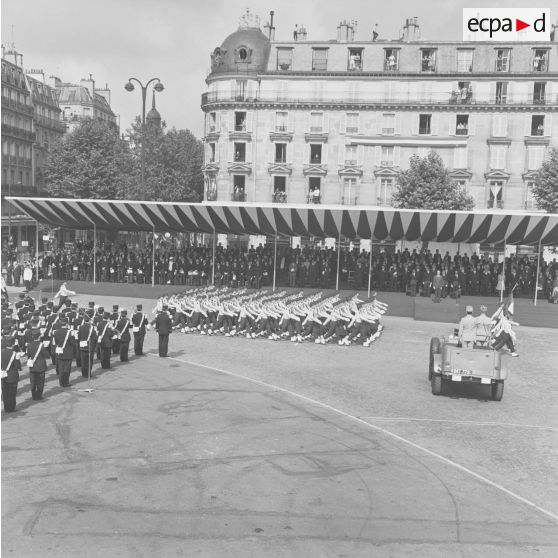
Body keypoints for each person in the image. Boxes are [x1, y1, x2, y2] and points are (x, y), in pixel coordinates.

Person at [26, 328, 50, 400]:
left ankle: (33, 396)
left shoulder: (29, 345)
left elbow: (28, 355)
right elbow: (47, 356)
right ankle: (39, 396)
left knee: (33, 382)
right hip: (41, 366)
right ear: (39, 336)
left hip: (32, 366)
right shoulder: (41, 345)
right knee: (40, 382)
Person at [53, 317, 75, 387]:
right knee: (67, 368)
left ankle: (61, 382)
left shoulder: (56, 332)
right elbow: (73, 343)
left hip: (60, 352)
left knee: (60, 368)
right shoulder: (70, 332)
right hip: (68, 352)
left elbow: (56, 342)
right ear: (67, 323)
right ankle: (65, 382)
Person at [1, 337, 21, 412]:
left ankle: (6, 407)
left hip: (3, 375)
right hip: (12, 375)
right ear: (12, 344)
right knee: (12, 393)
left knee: (5, 392)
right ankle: (12, 407)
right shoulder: (14, 354)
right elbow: (17, 367)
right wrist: (18, 359)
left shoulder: (1, 352)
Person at [78, 310, 97, 378]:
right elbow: (95, 338)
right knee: (89, 361)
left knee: (83, 361)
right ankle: (88, 373)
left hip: (82, 346)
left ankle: (84, 373)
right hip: (90, 346)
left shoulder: (80, 327)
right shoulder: (92, 327)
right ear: (89, 319)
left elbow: (79, 337)